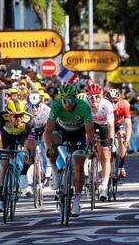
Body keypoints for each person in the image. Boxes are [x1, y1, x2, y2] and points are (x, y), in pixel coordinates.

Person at [44, 84, 94, 217]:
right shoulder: (56, 107)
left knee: (78, 164)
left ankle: (77, 201)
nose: (67, 104)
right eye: (64, 100)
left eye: (70, 100)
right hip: (62, 131)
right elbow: (48, 131)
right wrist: (49, 147)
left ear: (75, 98)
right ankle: (54, 170)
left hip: (79, 133)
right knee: (53, 142)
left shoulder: (83, 107)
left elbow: (89, 133)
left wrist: (90, 148)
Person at [0, 99, 37, 212]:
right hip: (6, 138)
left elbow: (30, 139)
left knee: (32, 146)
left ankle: (23, 174)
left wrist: (28, 153)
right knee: (4, 167)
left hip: (22, 137)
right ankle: (0, 200)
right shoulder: (2, 117)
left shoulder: (29, 119)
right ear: (9, 114)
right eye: (15, 116)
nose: (19, 118)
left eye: (21, 115)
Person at [85, 84, 115, 201]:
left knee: (105, 155)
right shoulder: (85, 106)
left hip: (104, 127)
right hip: (90, 126)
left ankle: (104, 186)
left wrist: (111, 141)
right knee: (88, 147)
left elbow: (111, 126)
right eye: (91, 97)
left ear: (101, 97)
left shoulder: (107, 105)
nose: (94, 100)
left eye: (97, 97)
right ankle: (89, 170)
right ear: (87, 98)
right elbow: (84, 127)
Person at [105, 88, 132, 178]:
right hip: (106, 125)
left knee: (121, 137)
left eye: (115, 101)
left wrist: (127, 140)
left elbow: (128, 124)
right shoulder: (102, 105)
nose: (112, 104)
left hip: (118, 124)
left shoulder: (124, 105)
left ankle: (121, 166)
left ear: (119, 100)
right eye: (110, 102)